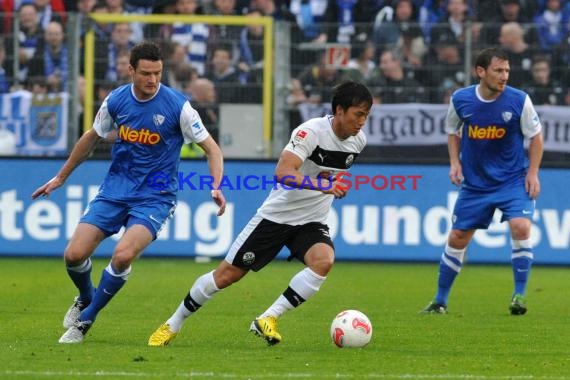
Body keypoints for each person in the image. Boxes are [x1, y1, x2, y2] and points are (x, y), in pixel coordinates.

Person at [148, 80, 373, 347]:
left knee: (323, 261)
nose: (362, 122)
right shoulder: (310, 132)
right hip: (276, 217)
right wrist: (323, 185)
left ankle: (268, 317)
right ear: (339, 111)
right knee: (226, 276)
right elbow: (282, 173)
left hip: (311, 220)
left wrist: (324, 184)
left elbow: (325, 172)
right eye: (358, 115)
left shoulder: (358, 142)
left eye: (366, 116)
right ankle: (173, 323)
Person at [31, 41, 226, 344]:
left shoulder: (178, 106)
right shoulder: (116, 100)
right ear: (131, 70)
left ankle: (85, 321)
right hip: (114, 190)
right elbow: (91, 138)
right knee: (73, 254)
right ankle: (85, 297)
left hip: (155, 197)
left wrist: (216, 186)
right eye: (146, 73)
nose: (153, 80)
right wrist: (60, 177)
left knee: (122, 256)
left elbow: (212, 149)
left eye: (158, 73)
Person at [420, 47, 543, 316]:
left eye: (507, 70)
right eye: (499, 70)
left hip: (512, 180)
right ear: (481, 71)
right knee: (457, 237)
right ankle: (439, 301)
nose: (504, 76)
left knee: (521, 227)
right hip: (475, 184)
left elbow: (536, 136)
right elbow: (452, 131)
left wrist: (532, 172)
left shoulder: (519, 100)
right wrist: (455, 162)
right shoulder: (461, 100)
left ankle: (519, 295)